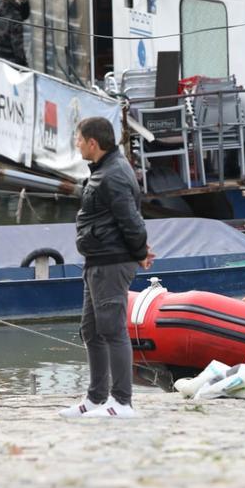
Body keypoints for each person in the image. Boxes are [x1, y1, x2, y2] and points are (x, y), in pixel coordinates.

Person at [59, 117, 153, 420]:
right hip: (97, 261)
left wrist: (140, 252)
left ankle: (122, 401)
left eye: (78, 139)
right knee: (90, 329)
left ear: (92, 143)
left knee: (112, 328)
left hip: (111, 263)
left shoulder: (113, 174)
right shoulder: (103, 169)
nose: (76, 144)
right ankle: (96, 397)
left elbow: (132, 221)